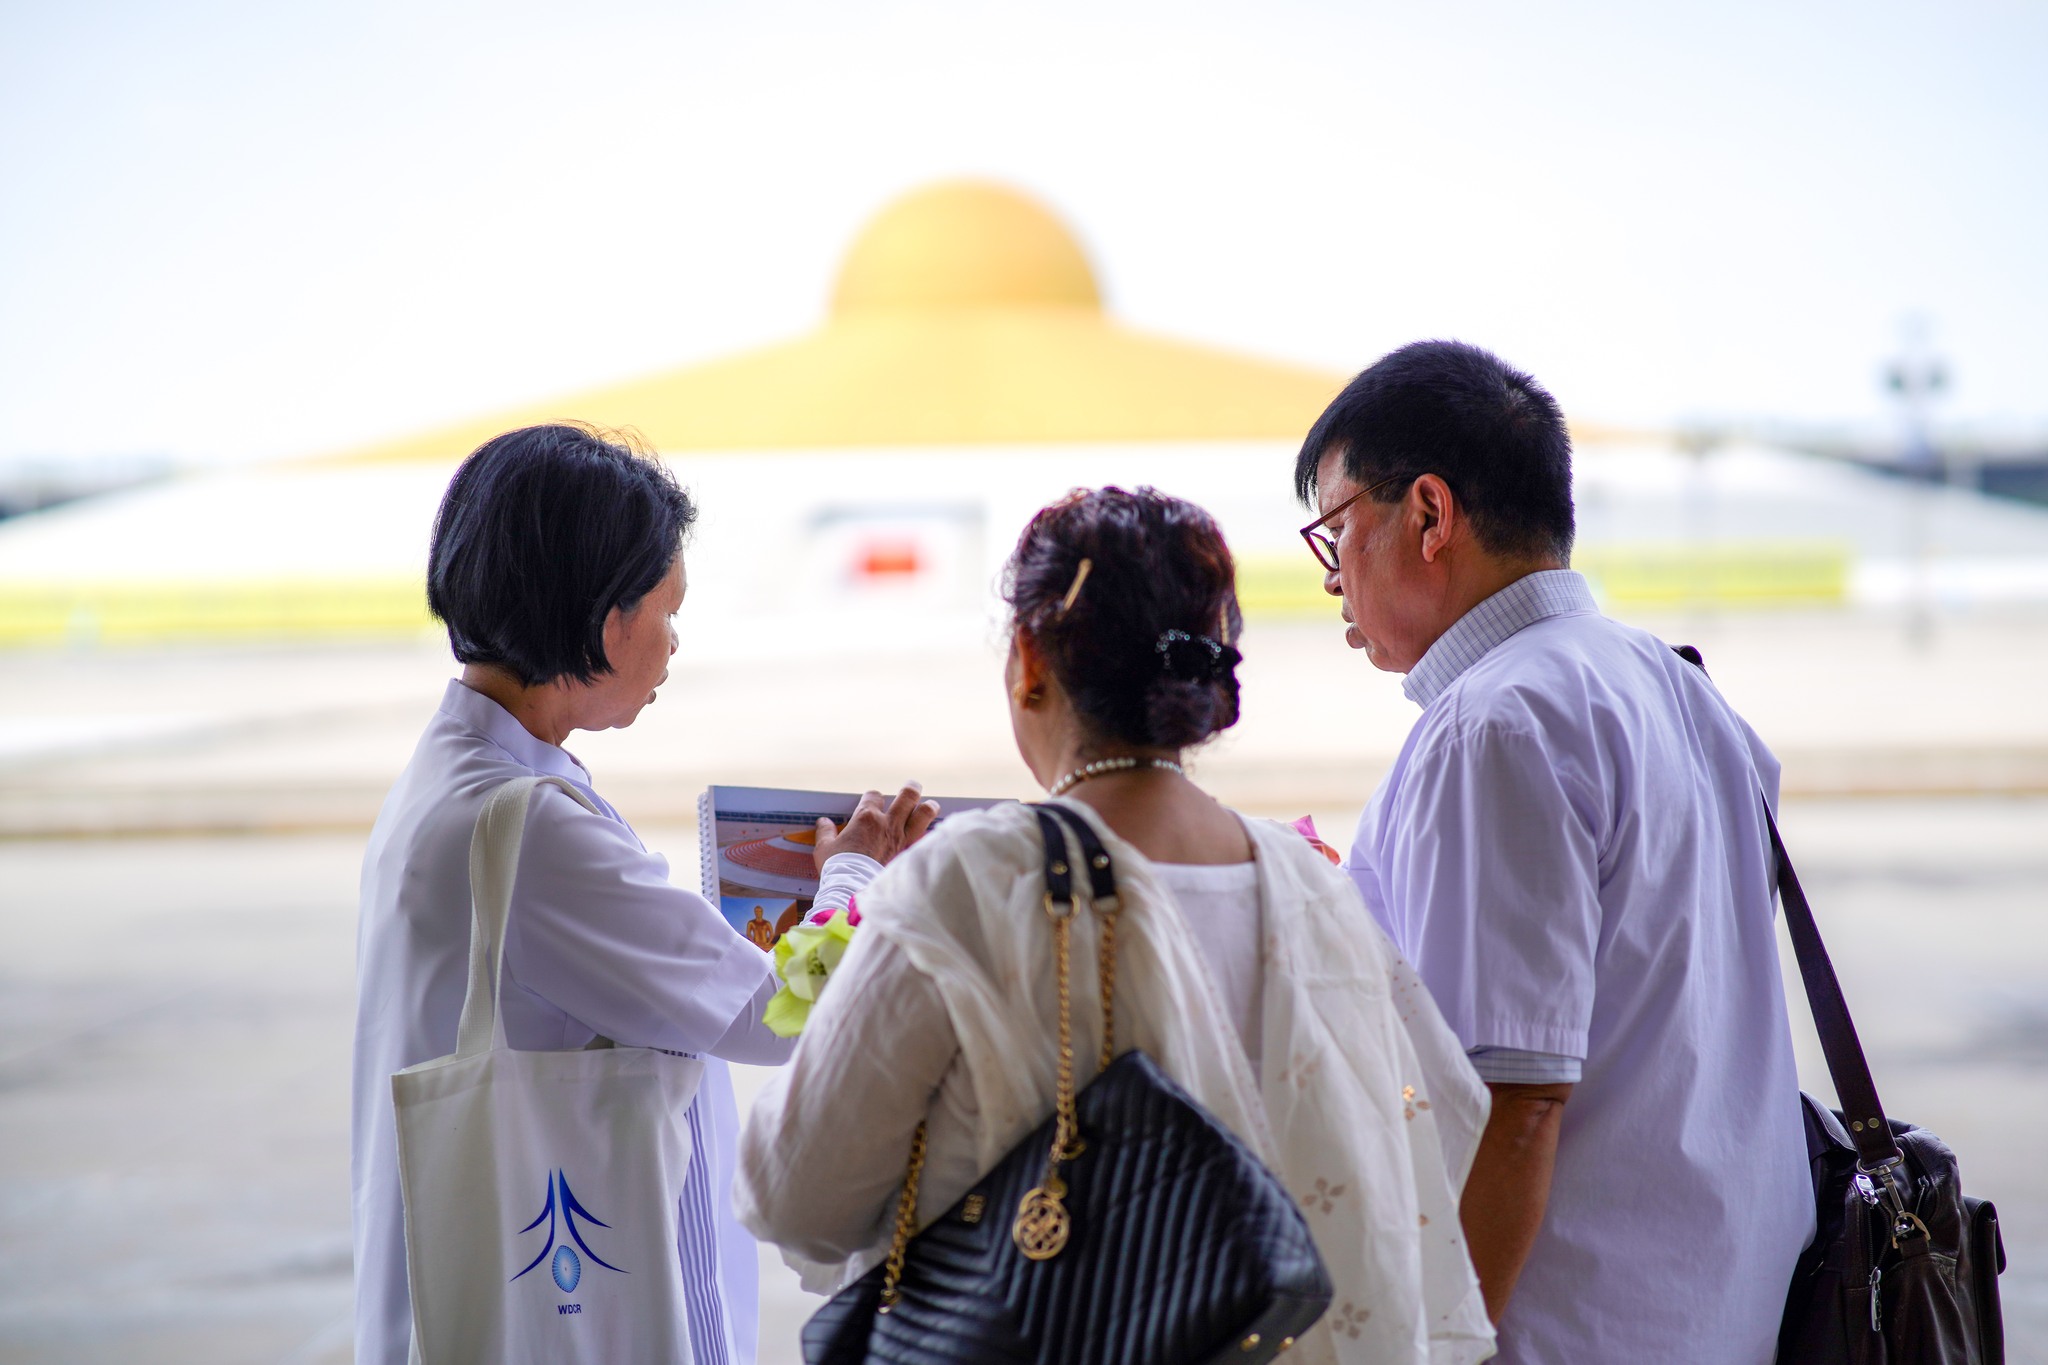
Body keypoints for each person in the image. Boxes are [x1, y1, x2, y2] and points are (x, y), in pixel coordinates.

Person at [735, 486, 1497, 1365]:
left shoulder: (974, 883)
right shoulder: (1312, 888)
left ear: (1028, 658)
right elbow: (1445, 1128)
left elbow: (794, 1191)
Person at [350, 424, 934, 1365]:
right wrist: (857, 872)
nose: (671, 642)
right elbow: (780, 1017)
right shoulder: (532, 827)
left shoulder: (459, 774)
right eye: (667, 607)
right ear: (604, 616)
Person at [1293, 341, 1812, 1363]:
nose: (1330, 581)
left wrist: (1440, 1348)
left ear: (1429, 515)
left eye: (1335, 530)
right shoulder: (1674, 686)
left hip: (1567, 1327)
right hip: (1719, 1315)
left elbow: (1511, 1106)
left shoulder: (1493, 727)